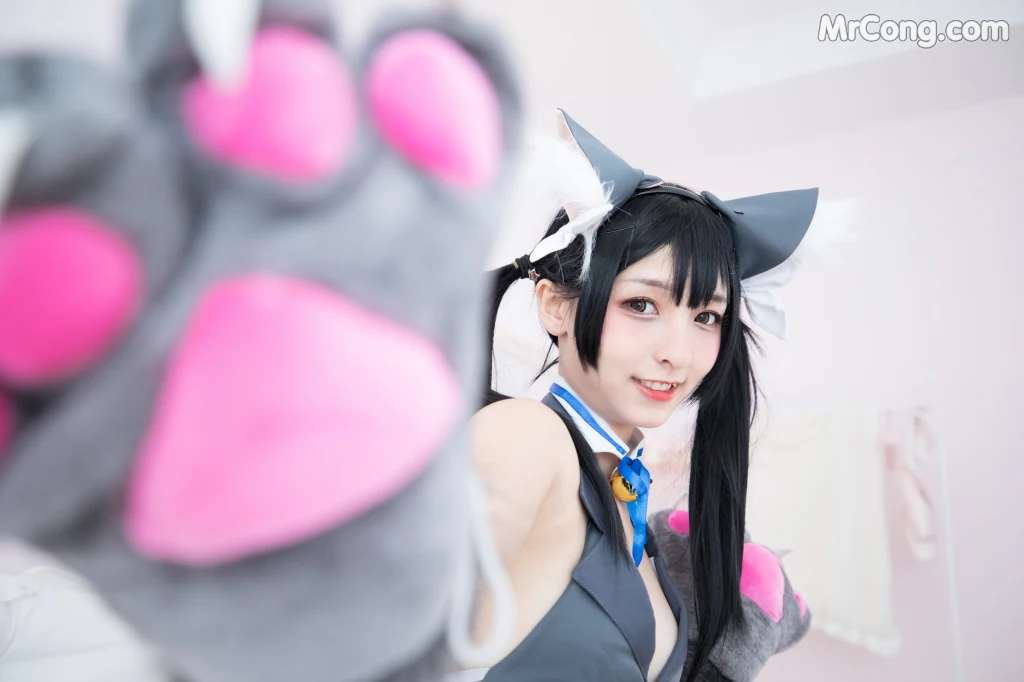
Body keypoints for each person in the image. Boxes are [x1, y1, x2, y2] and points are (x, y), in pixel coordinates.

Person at [461, 110, 818, 681]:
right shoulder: (528, 437)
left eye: (705, 316)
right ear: (555, 306)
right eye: (642, 305)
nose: (677, 353)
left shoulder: (639, 527)